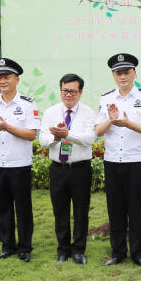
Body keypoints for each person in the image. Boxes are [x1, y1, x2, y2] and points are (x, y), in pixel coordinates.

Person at [94, 53, 141, 266]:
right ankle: (117, 252)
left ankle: (138, 253)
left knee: (135, 209)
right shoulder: (106, 99)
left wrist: (128, 123)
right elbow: (98, 131)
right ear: (113, 75)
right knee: (115, 209)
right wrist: (111, 121)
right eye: (118, 73)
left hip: (136, 161)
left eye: (126, 72)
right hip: (112, 161)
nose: (122, 76)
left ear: (134, 73)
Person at [0, 58, 40, 263]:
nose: (2, 81)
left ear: (17, 79)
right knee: (3, 207)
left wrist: (7, 127)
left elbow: (31, 134)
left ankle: (24, 247)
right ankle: (7, 246)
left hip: (20, 165)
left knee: (23, 209)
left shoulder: (27, 104)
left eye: (7, 77)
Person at [39, 73, 96, 264]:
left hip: (80, 169)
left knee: (81, 210)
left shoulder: (88, 113)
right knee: (60, 210)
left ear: (80, 92)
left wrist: (67, 134)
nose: (68, 95)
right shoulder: (51, 112)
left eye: (73, 91)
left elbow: (90, 139)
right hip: (58, 169)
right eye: (65, 91)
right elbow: (43, 139)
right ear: (60, 90)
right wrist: (55, 138)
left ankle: (79, 250)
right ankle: (62, 250)